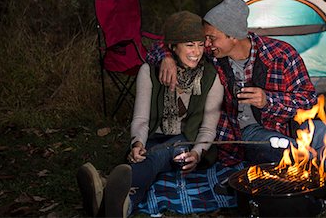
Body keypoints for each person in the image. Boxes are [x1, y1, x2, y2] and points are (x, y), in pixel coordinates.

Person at [147, 0, 326, 215]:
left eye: (211, 38)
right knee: (289, 151)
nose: (205, 44)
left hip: (287, 122)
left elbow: (307, 99)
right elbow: (161, 49)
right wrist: (168, 57)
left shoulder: (281, 55)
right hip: (248, 134)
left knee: (324, 134)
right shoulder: (213, 58)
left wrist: (269, 101)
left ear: (233, 36)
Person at [77, 11, 224, 218]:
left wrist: (198, 152)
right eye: (190, 45)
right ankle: (117, 205)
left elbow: (208, 128)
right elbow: (141, 119)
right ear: (173, 47)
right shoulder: (149, 71)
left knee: (160, 154)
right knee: (145, 157)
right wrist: (137, 144)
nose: (197, 52)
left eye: (200, 45)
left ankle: (109, 189)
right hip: (155, 138)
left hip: (188, 142)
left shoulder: (210, 77)